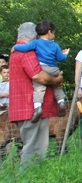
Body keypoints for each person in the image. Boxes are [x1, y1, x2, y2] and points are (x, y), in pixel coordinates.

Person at [8, 22, 63, 163]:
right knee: (35, 149)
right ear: (34, 35)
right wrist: (56, 80)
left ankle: (28, 179)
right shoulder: (27, 52)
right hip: (31, 108)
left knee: (30, 144)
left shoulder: (16, 51)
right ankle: (28, 179)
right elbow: (38, 75)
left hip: (21, 107)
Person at [11, 20, 68, 120]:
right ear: (49, 32)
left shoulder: (35, 44)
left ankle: (37, 107)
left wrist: (15, 47)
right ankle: (61, 101)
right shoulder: (55, 45)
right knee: (57, 86)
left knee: (39, 88)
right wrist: (65, 54)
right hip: (53, 68)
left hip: (42, 67)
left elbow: (24, 48)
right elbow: (38, 75)